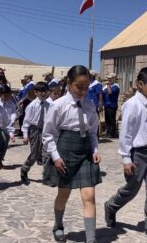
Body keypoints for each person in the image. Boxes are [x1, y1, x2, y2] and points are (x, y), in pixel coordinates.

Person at [104, 67, 147, 242]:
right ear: (140, 84)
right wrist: (126, 158)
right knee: (131, 189)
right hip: (137, 154)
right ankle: (111, 206)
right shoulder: (132, 105)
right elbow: (126, 134)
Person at [43, 65, 101, 243]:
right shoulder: (58, 105)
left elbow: (92, 132)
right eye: (79, 87)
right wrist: (56, 156)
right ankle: (58, 225)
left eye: (86, 87)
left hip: (85, 153)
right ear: (69, 83)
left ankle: (91, 239)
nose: (83, 91)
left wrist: (95, 149)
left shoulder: (89, 105)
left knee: (89, 195)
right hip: (65, 151)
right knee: (64, 194)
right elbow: (49, 134)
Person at [20, 81, 50, 184]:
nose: (43, 93)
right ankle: (24, 169)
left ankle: (47, 176)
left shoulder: (49, 105)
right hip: (35, 130)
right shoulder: (32, 105)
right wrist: (25, 135)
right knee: (34, 154)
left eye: (45, 91)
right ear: (36, 92)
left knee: (47, 153)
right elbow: (26, 121)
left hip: (45, 130)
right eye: (40, 91)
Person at [0, 85, 17, 166]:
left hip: (8, 126)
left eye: (9, 96)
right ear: (0, 95)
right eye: (5, 96)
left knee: (5, 144)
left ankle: (0, 158)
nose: (7, 97)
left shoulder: (11, 104)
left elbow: (13, 113)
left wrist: (12, 119)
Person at [102, 73, 120, 138]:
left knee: (111, 120)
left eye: (110, 78)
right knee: (107, 120)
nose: (108, 79)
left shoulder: (116, 86)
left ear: (113, 79)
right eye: (108, 78)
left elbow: (110, 93)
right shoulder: (105, 87)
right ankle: (108, 133)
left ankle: (111, 134)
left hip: (112, 105)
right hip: (106, 105)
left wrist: (108, 86)